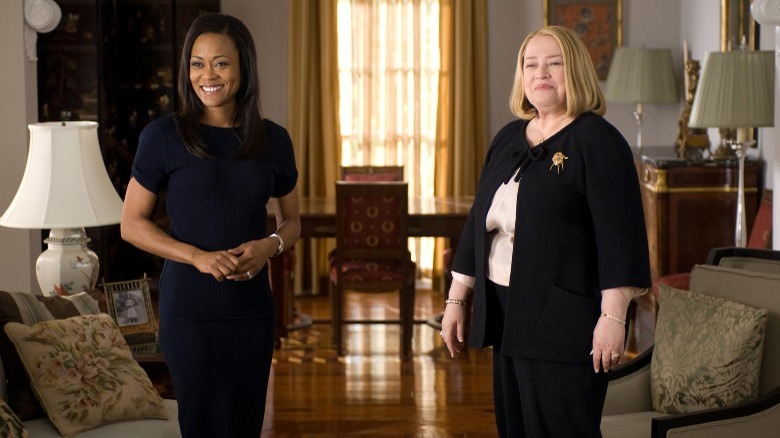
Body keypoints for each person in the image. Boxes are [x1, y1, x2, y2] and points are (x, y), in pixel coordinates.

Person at [440, 26, 650, 437]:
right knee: (515, 427)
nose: (541, 73)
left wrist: (613, 317)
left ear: (577, 72)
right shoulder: (507, 138)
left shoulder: (598, 141)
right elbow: (477, 222)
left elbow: (619, 237)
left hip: (564, 318)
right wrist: (456, 298)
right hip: (505, 311)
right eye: (531, 64)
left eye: (555, 64)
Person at [120, 13, 300, 437]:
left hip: (252, 310)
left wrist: (267, 246)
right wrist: (196, 257)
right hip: (190, 311)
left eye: (220, 62)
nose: (207, 75)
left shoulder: (274, 140)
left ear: (243, 67)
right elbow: (131, 223)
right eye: (197, 63)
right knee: (199, 423)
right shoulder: (164, 135)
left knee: (245, 423)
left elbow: (292, 222)